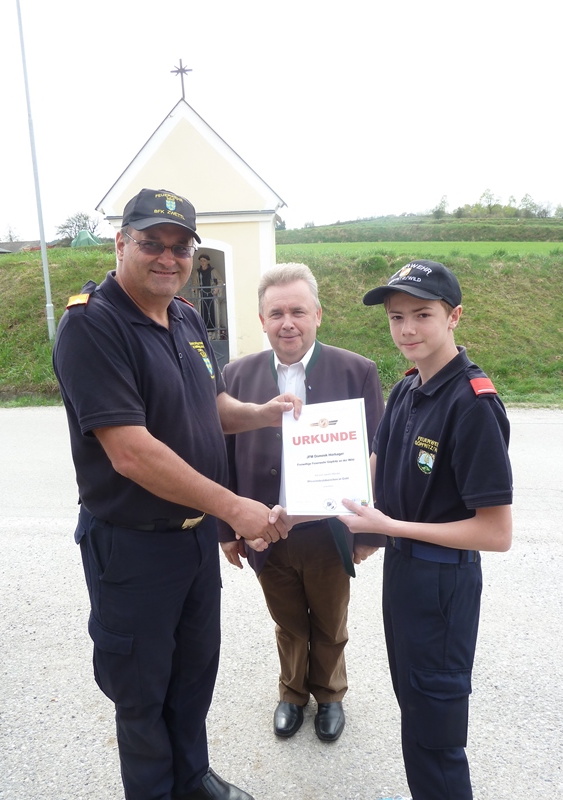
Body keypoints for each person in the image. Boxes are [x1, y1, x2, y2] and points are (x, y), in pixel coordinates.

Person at [52, 188, 301, 800]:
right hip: (133, 547)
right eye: (152, 243)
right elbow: (130, 451)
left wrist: (263, 413)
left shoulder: (186, 317)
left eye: (181, 247)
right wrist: (234, 507)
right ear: (121, 243)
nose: (168, 257)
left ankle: (191, 778)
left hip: (192, 543)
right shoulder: (92, 325)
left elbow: (211, 406)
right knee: (141, 692)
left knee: (192, 676)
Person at [335, 260, 513, 799]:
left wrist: (390, 526)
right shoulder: (410, 387)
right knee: (413, 703)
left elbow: (495, 533)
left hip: (442, 585)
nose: (407, 329)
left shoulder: (473, 404)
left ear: (454, 316)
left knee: (437, 728)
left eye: (422, 315)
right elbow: (374, 470)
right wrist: (306, 505)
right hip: (405, 570)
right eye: (396, 317)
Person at [218, 263, 384, 742]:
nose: (287, 323)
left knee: (330, 622)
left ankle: (329, 695)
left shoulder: (356, 370)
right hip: (265, 531)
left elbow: (377, 453)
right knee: (287, 621)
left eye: (297, 311)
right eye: (276, 313)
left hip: (329, 531)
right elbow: (222, 457)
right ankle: (292, 694)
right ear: (262, 320)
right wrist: (226, 530)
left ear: (318, 315)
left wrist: (370, 532)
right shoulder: (235, 375)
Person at [194, 254, 221, 332]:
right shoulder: (197, 272)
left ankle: (214, 332)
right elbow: (194, 283)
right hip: (201, 294)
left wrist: (217, 288)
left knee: (212, 313)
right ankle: (203, 330)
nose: (202, 262)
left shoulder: (213, 271)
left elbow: (220, 281)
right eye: (201, 261)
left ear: (208, 262)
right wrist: (194, 288)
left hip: (211, 294)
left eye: (204, 261)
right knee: (202, 312)